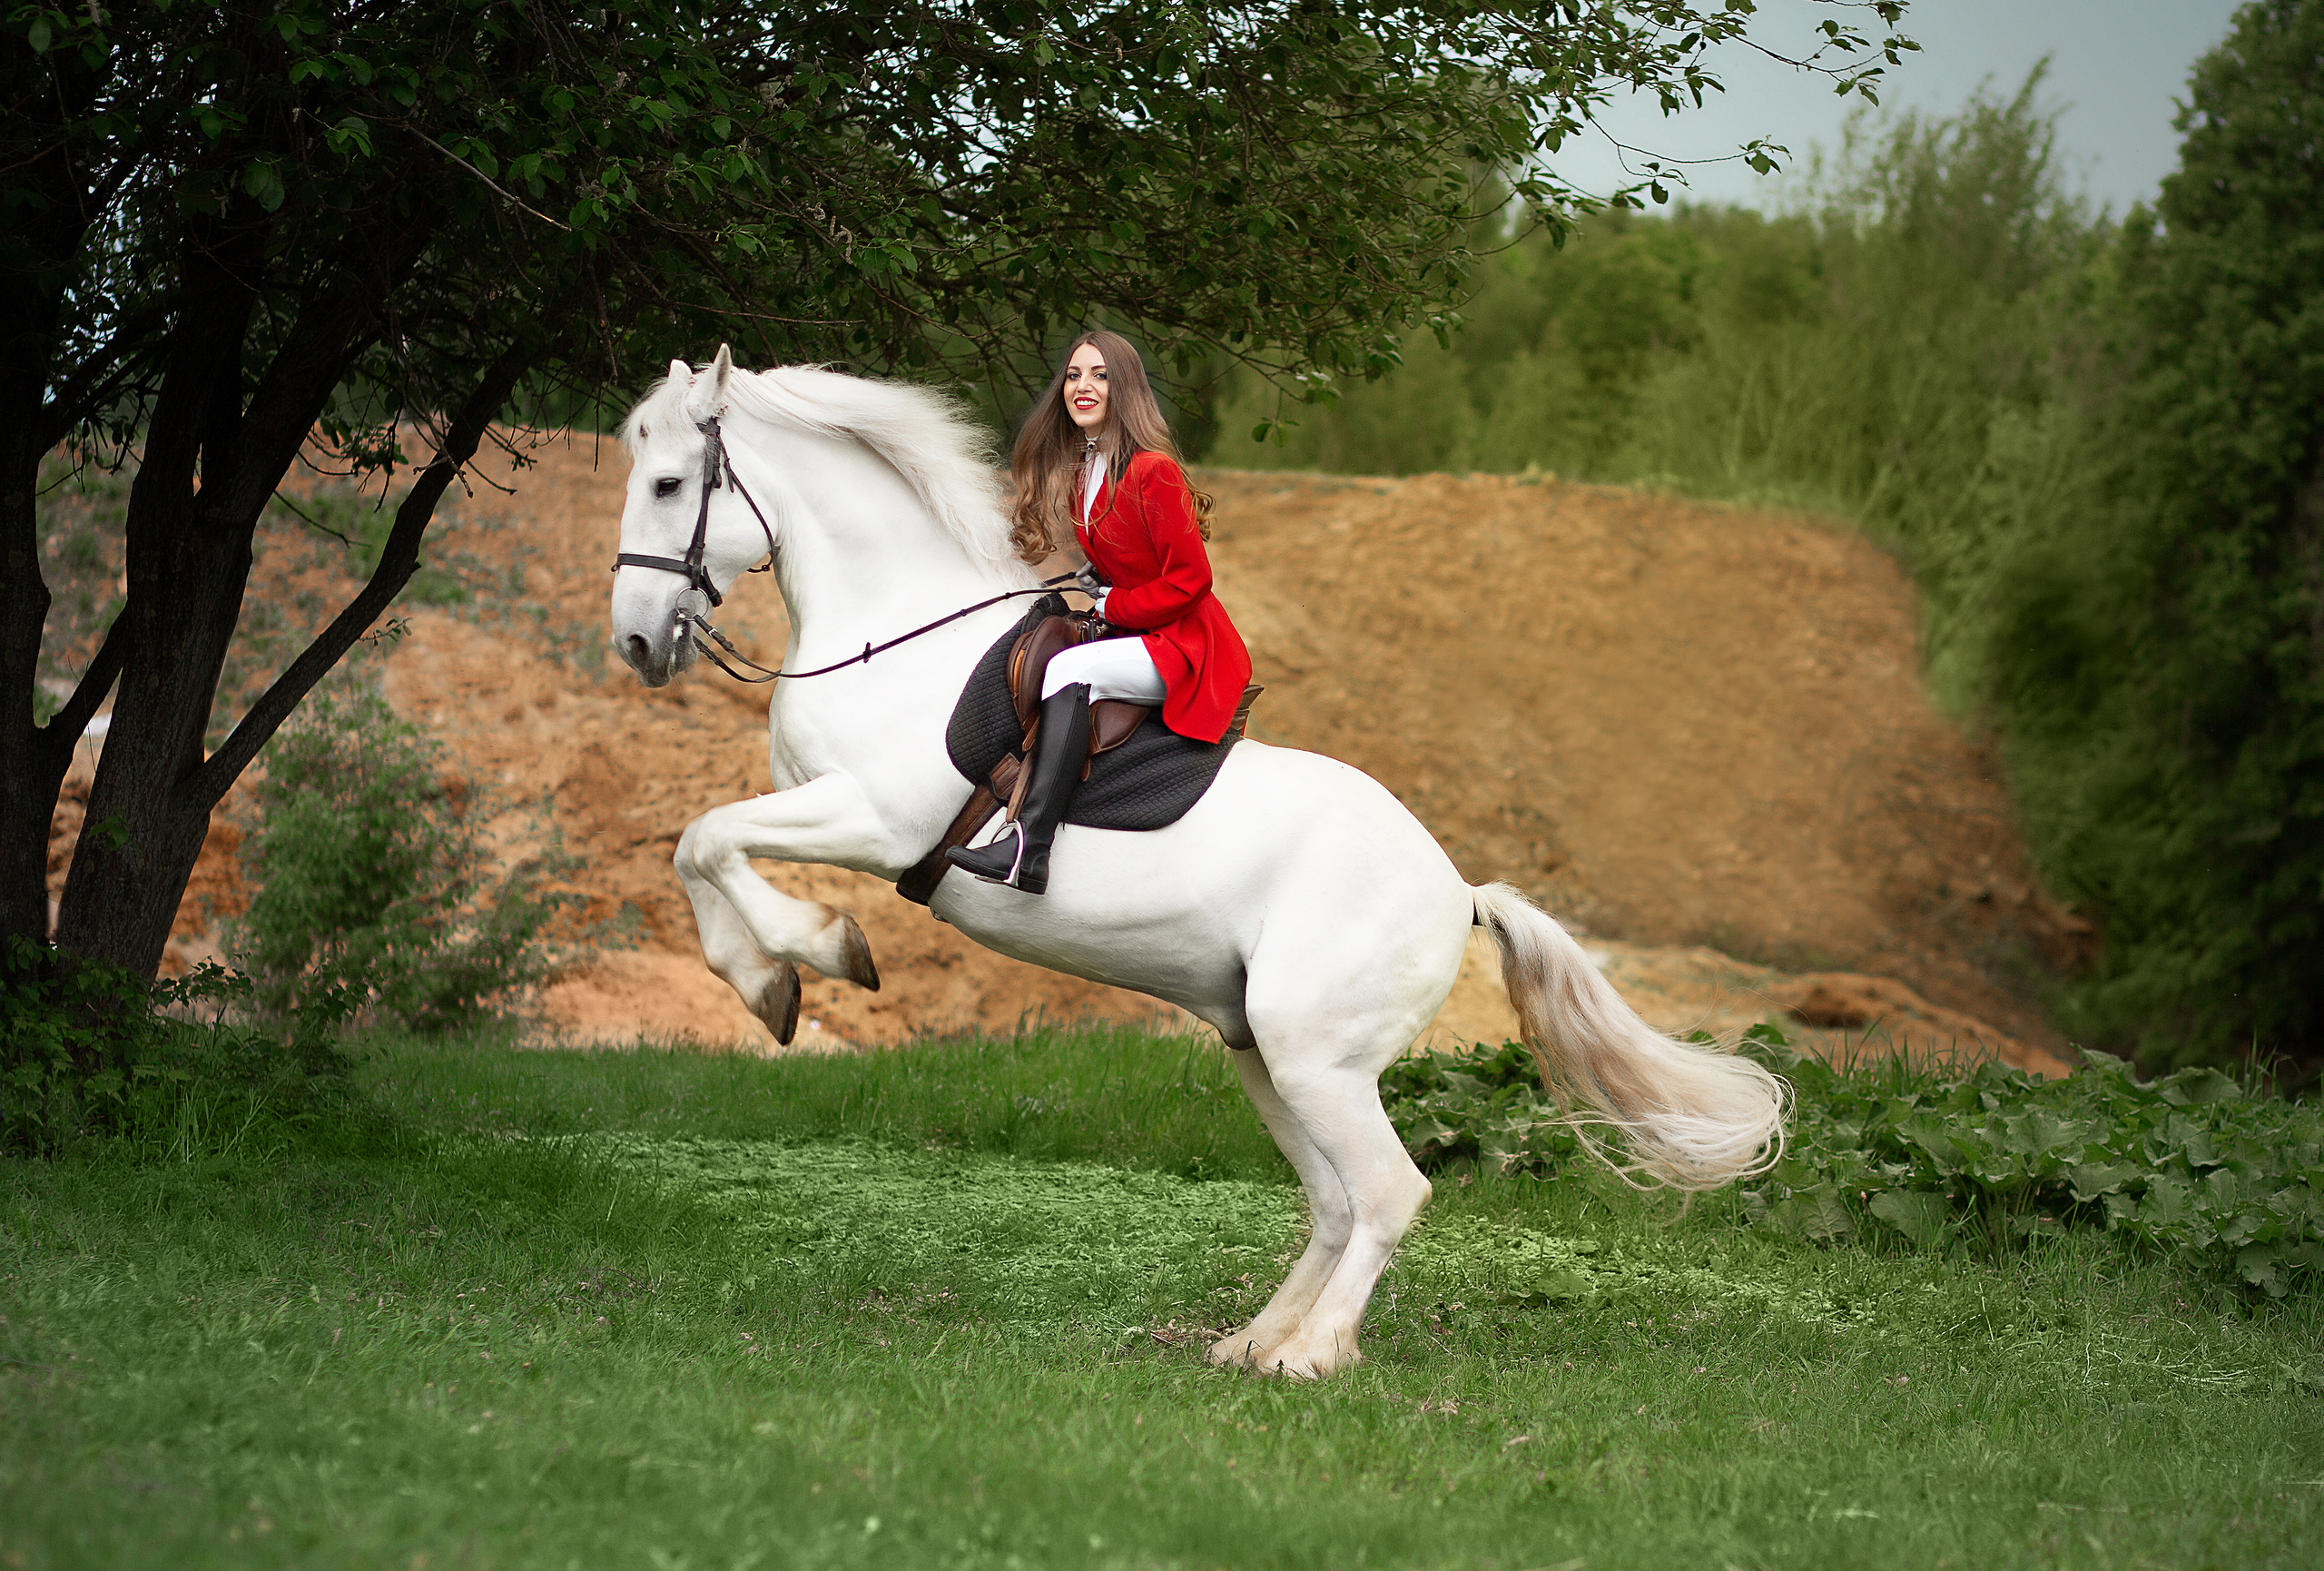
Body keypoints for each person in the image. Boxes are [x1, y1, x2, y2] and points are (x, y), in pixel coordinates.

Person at [948, 330, 1254, 894]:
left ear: (1125, 388)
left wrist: (1117, 603)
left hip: (1186, 646)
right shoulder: (1084, 474)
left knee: (1068, 669)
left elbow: (1192, 580)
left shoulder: (1153, 470)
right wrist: (1102, 580)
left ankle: (1029, 847)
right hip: (1140, 634)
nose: (1082, 386)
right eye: (1073, 375)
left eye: (1100, 375)